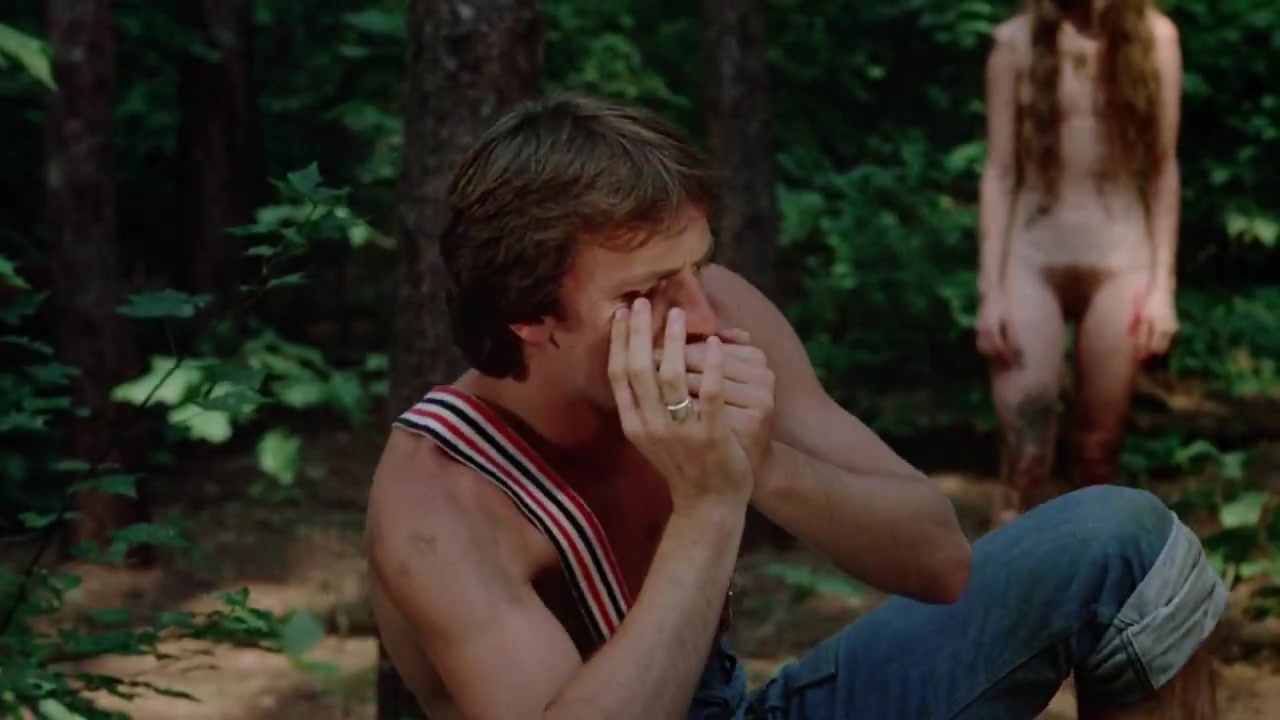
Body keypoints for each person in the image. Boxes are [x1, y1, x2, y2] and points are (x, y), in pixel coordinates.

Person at [365, 93, 1225, 719]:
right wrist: (708, 507)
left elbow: (940, 563)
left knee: (1124, 543)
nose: (701, 316)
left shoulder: (718, 313)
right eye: (647, 293)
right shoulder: (441, 504)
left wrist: (763, 464)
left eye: (697, 267)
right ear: (531, 316)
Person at [975, 0, 1184, 524]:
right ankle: (1010, 565)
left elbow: (1163, 170)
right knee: (1024, 453)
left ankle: (1086, 568)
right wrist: (990, 291)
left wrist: (1163, 288)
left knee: (1098, 451)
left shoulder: (1156, 40)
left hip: (1122, 258)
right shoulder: (1015, 43)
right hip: (1032, 256)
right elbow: (999, 172)